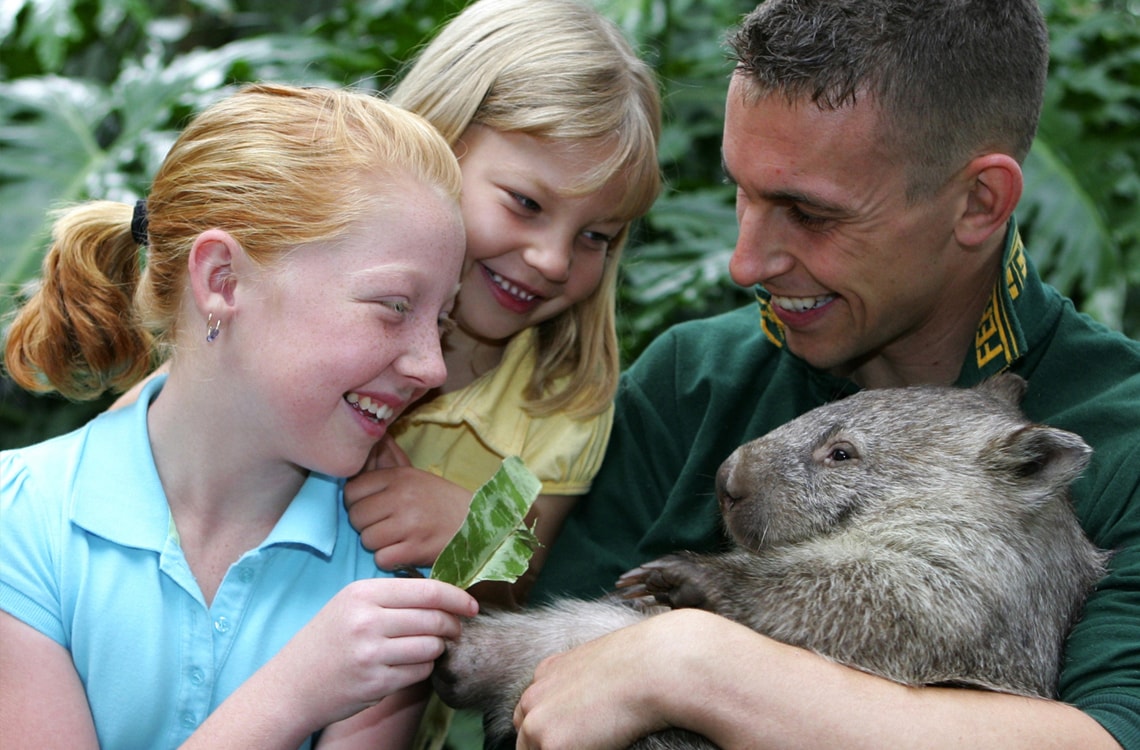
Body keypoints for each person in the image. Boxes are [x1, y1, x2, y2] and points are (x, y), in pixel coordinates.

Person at [510, 0, 1140, 748]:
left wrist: (695, 665)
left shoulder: (1117, 433)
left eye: (808, 214)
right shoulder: (695, 379)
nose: (747, 261)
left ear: (979, 202)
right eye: (739, 192)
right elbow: (538, 697)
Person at [0, 83, 479, 748]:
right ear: (223, 281)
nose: (431, 365)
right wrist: (296, 692)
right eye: (395, 305)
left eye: (443, 320)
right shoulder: (20, 523)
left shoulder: (390, 568)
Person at [343, 0, 661, 606]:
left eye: (596, 236)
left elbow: (529, 585)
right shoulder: (305, 293)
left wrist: (476, 535)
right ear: (434, 143)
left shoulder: (563, 401)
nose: (554, 260)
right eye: (526, 203)